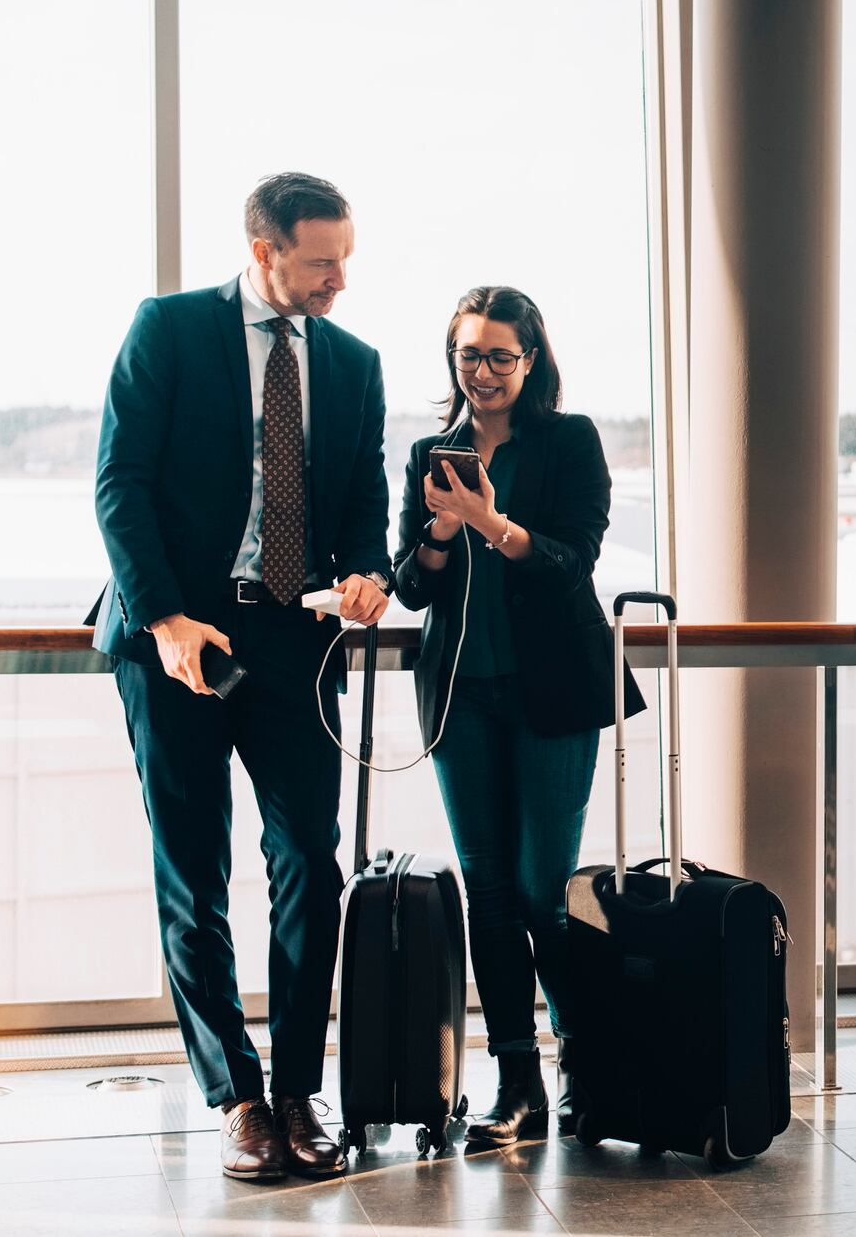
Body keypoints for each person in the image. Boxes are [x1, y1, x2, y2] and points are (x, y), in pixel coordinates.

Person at [90, 173, 391, 1180]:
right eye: (320, 261)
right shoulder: (168, 330)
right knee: (195, 871)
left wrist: (366, 574)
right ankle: (238, 1096)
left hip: (293, 642)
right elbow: (119, 482)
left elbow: (361, 501)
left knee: (312, 858)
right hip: (175, 640)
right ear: (262, 250)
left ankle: (302, 1090)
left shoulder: (354, 363)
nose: (340, 279)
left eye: (346, 257)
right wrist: (164, 617)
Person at [391, 286, 641, 1146]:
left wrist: (491, 523)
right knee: (490, 897)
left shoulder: (568, 441)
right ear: (452, 361)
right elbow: (412, 586)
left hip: (552, 694)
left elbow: (573, 560)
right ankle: (518, 1089)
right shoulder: (433, 449)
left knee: (542, 890)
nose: (485, 372)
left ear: (531, 359)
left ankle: (591, 1055)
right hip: (463, 698)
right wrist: (435, 530)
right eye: (470, 355)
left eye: (502, 355)